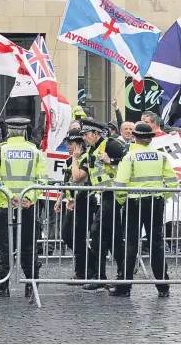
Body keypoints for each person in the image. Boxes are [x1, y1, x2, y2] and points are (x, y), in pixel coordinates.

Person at [110, 123, 179, 297]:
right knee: (156, 244)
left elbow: (120, 184)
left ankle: (125, 287)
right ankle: (163, 286)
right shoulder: (161, 156)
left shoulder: (130, 157)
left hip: (134, 204)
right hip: (155, 203)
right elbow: (172, 182)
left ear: (135, 137)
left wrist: (121, 201)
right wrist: (163, 197)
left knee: (131, 245)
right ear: (150, 139)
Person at [0, 117, 48, 298]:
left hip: (6, 204)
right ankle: (31, 285)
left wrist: (10, 195)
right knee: (29, 246)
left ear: (9, 131)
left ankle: (2, 286)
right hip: (28, 206)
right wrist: (28, 197)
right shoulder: (35, 151)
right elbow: (42, 179)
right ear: (24, 131)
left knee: (4, 247)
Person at [77, 119, 126, 291]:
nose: (84, 137)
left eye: (86, 134)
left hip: (113, 195)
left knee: (98, 234)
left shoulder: (111, 145)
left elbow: (127, 162)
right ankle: (123, 274)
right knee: (113, 238)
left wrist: (110, 160)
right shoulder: (92, 149)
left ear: (96, 134)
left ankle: (101, 276)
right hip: (102, 196)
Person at [58, 129, 97, 282]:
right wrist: (60, 197)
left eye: (71, 144)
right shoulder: (69, 160)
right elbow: (67, 181)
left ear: (79, 145)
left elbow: (77, 178)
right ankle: (85, 269)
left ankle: (85, 269)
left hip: (85, 202)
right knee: (69, 236)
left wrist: (75, 158)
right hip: (72, 203)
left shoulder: (86, 158)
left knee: (76, 238)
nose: (68, 147)